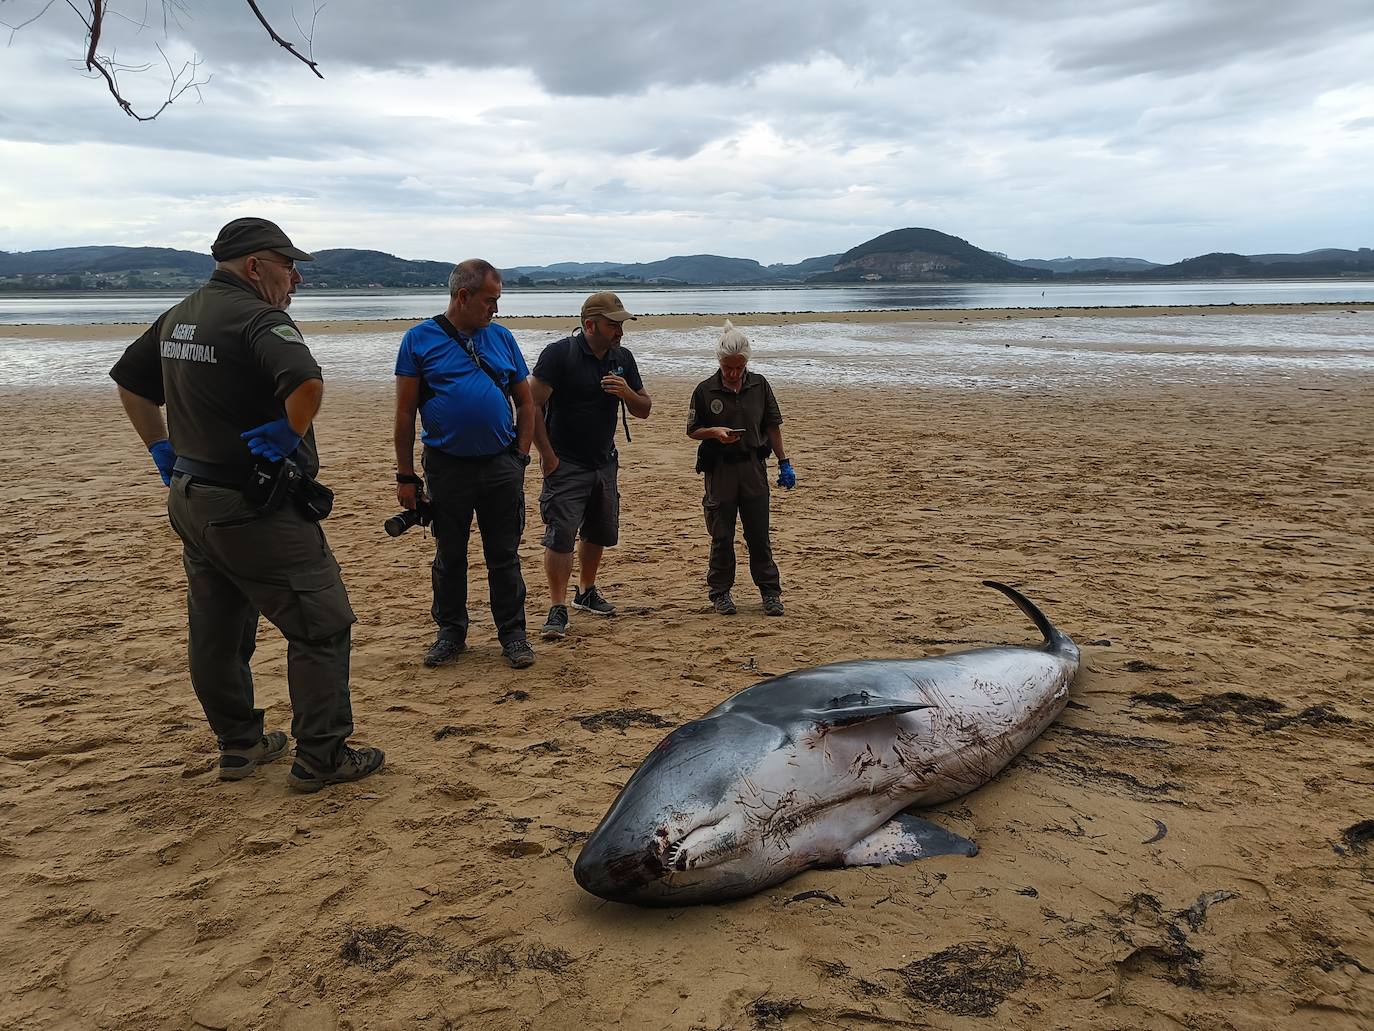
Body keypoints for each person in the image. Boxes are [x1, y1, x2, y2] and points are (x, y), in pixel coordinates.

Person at [109, 217, 384, 792]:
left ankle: (239, 745)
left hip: (192, 498)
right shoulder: (259, 316)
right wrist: (291, 430)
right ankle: (322, 756)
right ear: (256, 266)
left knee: (217, 627)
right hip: (252, 503)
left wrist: (159, 445)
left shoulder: (182, 313)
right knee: (321, 624)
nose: (297, 279)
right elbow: (307, 380)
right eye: (289, 266)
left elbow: (131, 382)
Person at [393, 259, 537, 670]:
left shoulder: (503, 339)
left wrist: (520, 456)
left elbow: (526, 403)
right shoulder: (418, 339)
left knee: (504, 555)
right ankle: (450, 633)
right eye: (491, 300)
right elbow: (404, 414)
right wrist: (406, 476)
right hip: (446, 467)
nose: (496, 309)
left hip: (501, 466)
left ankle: (513, 635)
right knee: (449, 555)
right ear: (463, 296)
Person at [530, 291, 652, 639]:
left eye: (622, 325)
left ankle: (586, 590)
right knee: (561, 535)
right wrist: (547, 455)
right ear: (590, 325)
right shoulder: (559, 354)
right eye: (614, 325)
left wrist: (626, 393)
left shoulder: (623, 358)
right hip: (565, 462)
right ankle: (557, 607)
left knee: (598, 530)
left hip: (604, 461)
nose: (620, 332)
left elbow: (644, 409)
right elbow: (531, 404)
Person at [686, 320, 796, 616]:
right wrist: (715, 432)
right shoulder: (705, 390)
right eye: (727, 368)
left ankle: (770, 593)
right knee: (721, 535)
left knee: (759, 535)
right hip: (720, 471)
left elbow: (772, 426)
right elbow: (692, 430)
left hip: (753, 468)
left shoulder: (759, 385)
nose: (733, 374)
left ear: (746, 362)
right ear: (719, 362)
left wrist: (784, 463)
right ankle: (720, 593)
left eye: (738, 368)